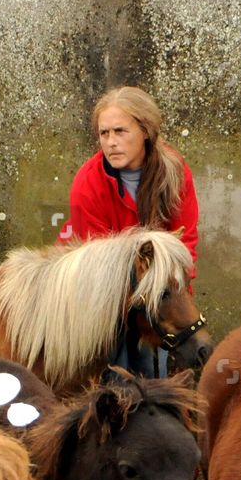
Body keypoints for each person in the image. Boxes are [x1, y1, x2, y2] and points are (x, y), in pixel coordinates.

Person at [63, 86, 200, 377]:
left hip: (154, 288)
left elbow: (184, 240)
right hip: (103, 296)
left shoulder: (175, 173)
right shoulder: (86, 185)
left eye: (120, 131)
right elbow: (98, 269)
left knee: (156, 371)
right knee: (114, 369)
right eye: (104, 134)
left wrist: (174, 300)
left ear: (146, 132)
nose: (111, 142)